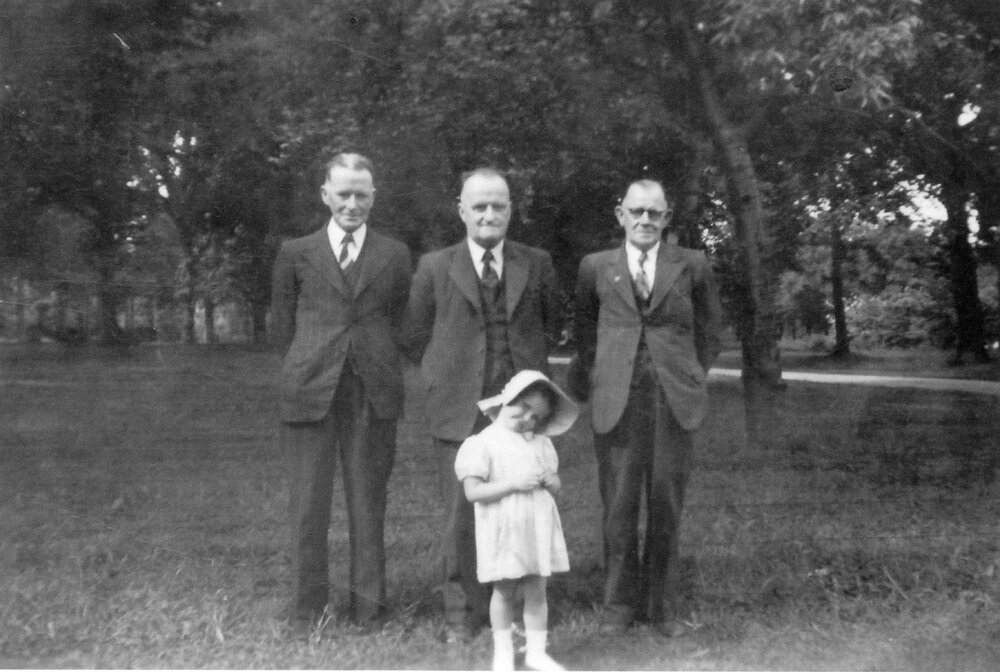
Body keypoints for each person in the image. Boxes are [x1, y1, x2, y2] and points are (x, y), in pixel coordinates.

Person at [403, 167, 562, 637]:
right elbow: (413, 335)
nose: (489, 214)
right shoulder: (435, 265)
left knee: (521, 508)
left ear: (511, 210)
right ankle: (462, 613)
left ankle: (514, 608)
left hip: (522, 413)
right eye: (479, 206)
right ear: (462, 211)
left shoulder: (536, 262)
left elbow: (549, 325)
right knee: (460, 514)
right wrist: (442, 376)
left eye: (498, 205)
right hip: (458, 406)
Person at [568, 178, 722, 636]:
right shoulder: (595, 267)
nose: (645, 220)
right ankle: (618, 607)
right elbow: (585, 334)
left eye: (654, 213)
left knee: (665, 504)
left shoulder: (692, 264)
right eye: (637, 211)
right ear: (621, 215)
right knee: (617, 507)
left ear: (667, 218)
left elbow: (711, 333)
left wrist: (687, 375)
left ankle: (661, 607)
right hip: (617, 402)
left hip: (672, 402)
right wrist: (603, 379)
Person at [270, 153, 412, 628]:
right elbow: (282, 326)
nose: (352, 204)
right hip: (310, 389)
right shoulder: (296, 251)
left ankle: (369, 610)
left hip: (372, 390)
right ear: (325, 195)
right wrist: (309, 363)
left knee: (369, 501)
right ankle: (309, 612)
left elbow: (401, 323)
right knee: (308, 504)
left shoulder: (394, 254)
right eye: (343, 194)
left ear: (374, 197)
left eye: (362, 195)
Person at [455, 370, 578, 672]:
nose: (526, 419)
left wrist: (553, 481)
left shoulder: (540, 445)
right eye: (523, 406)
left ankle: (536, 652)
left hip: (536, 529)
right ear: (507, 399)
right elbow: (473, 492)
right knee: (505, 590)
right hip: (504, 531)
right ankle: (503, 653)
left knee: (537, 590)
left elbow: (554, 489)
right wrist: (513, 484)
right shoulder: (482, 443)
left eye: (536, 417)